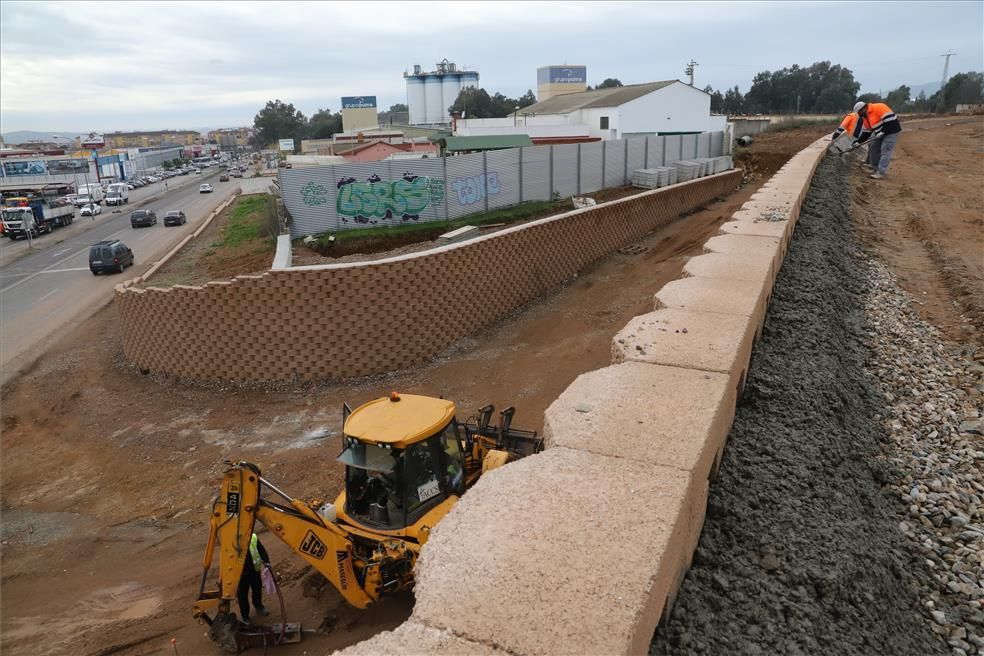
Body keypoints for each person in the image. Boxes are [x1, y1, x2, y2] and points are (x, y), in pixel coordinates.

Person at [855, 100, 902, 179]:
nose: (859, 115)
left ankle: (881, 172)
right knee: (873, 149)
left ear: (863, 109)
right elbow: (866, 132)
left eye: (859, 112)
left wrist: (883, 131)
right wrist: (857, 142)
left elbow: (891, 121)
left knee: (885, 150)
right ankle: (875, 169)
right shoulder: (866, 117)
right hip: (879, 134)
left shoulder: (879, 107)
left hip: (891, 132)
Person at [238, 532, 271, 625]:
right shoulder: (232, 540)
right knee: (242, 595)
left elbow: (261, 550)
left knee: (257, 589)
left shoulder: (253, 537)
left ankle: (259, 606)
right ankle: (245, 616)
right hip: (241, 574)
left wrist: (266, 561)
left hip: (254, 570)